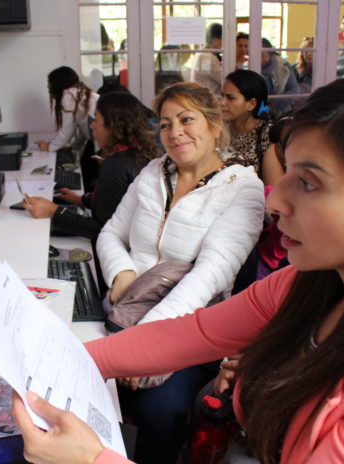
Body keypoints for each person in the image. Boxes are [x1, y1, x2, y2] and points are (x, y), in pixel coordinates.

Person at [12, 71, 344, 464]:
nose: (279, 200)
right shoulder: (309, 284)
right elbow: (195, 333)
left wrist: (91, 459)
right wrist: (60, 364)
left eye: (309, 183)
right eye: (287, 172)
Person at [95, 82, 265, 463]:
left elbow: (209, 277)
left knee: (158, 410)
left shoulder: (243, 188)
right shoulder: (153, 172)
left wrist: (139, 345)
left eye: (187, 120)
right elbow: (110, 232)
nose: (175, 133)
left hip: (192, 328)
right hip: (125, 309)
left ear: (215, 124)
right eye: (166, 124)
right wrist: (121, 272)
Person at [23, 92, 160, 243]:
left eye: (97, 119)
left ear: (113, 127)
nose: (92, 125)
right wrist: (82, 200)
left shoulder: (116, 165)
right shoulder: (139, 154)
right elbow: (117, 202)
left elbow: (102, 230)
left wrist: (54, 212)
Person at [220, 69, 284, 186]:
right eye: (222, 96)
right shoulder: (219, 131)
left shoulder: (267, 134)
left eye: (231, 98)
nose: (222, 102)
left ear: (251, 104)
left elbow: (273, 188)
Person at [35, 66, 99, 155]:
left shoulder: (69, 96)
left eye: (50, 83)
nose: (48, 87)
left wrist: (49, 147)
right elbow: (83, 127)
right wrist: (73, 146)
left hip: (103, 141)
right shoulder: (80, 93)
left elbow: (67, 131)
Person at [260, 38, 299, 115]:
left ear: (270, 54)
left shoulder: (282, 66)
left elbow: (294, 90)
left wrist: (272, 106)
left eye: (261, 54)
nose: (257, 58)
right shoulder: (247, 66)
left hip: (280, 112)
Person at [188, 23, 224, 95]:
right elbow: (224, 80)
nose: (223, 43)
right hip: (208, 100)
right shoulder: (207, 57)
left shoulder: (201, 53)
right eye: (222, 39)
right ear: (215, 39)